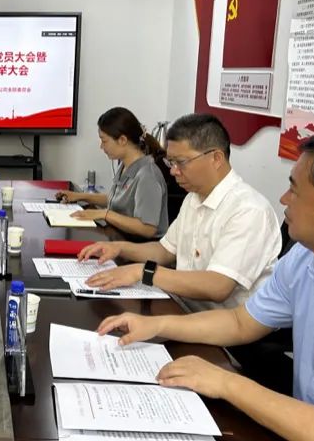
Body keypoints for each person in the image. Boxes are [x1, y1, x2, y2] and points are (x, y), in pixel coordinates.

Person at [96, 126, 314, 441]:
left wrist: (226, 382)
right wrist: (157, 325)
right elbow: (241, 322)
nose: (283, 199)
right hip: (300, 430)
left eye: (295, 191)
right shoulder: (305, 259)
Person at [78, 113, 280, 312]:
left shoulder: (248, 210)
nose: (173, 171)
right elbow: (164, 251)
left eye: (181, 162)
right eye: (171, 163)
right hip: (182, 306)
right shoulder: (194, 197)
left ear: (216, 158)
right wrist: (118, 248)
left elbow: (217, 286)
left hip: (220, 324)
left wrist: (143, 272)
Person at [56, 107, 169, 239]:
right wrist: (79, 196)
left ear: (122, 140)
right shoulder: (125, 165)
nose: (101, 146)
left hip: (140, 245)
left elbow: (147, 229)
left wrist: (105, 214)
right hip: (119, 237)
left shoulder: (148, 175)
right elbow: (115, 201)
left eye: (104, 141)